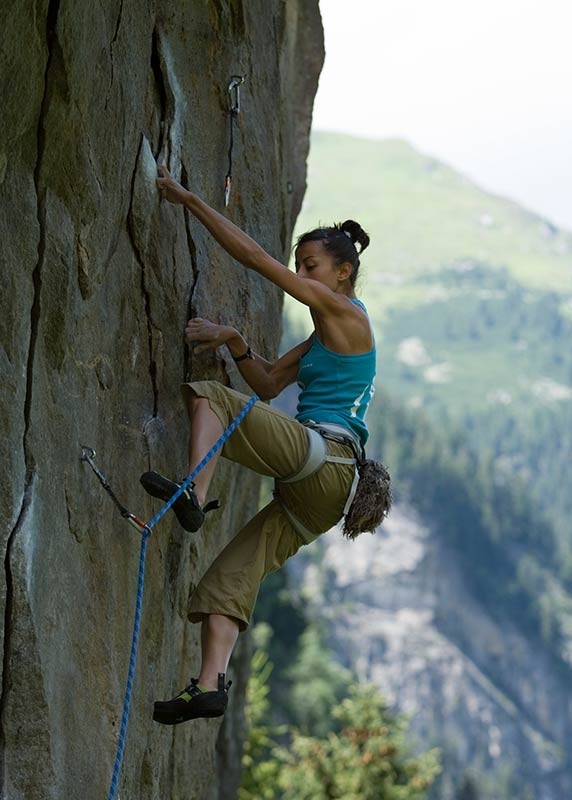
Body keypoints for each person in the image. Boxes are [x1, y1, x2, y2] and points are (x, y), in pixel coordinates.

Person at [146, 165, 391, 725]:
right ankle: (209, 686)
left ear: (343, 273)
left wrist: (188, 199)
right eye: (301, 266)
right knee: (229, 581)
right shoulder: (322, 336)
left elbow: (258, 261)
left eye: (311, 267)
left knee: (210, 398)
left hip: (323, 460)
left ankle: (193, 493)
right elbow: (267, 385)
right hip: (322, 495)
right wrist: (234, 341)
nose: (302, 275)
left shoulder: (346, 315)